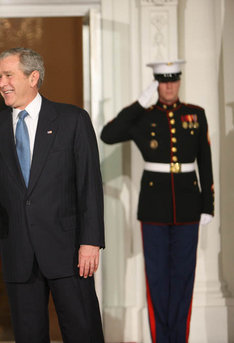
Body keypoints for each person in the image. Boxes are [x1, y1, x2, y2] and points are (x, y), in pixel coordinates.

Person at [0, 47, 105, 343]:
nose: (2, 83)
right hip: (18, 252)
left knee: (83, 332)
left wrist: (91, 241)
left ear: (33, 77)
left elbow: (89, 184)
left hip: (70, 251)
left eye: (9, 75)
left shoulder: (72, 120)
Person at [100, 60, 214, 342]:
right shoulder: (143, 117)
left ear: (179, 81)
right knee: (158, 280)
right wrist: (139, 103)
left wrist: (208, 203)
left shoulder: (195, 115)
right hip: (154, 208)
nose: (169, 86)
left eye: (173, 80)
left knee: (183, 279)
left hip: (189, 206)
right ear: (156, 84)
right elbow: (108, 134)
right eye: (163, 81)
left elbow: (205, 160)